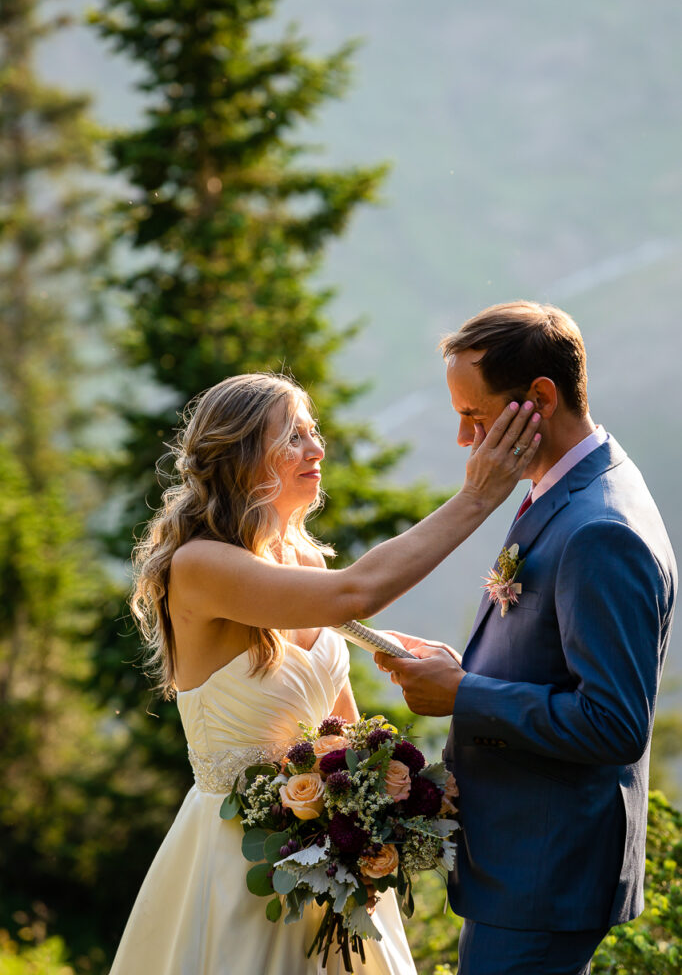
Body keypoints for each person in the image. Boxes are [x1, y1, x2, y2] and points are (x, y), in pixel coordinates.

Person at [108, 370, 541, 975]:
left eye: (313, 433)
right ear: (238, 456)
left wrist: (378, 807)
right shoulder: (199, 565)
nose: (316, 450)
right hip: (238, 866)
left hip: (332, 864)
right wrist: (477, 498)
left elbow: (340, 726)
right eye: (291, 438)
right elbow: (354, 595)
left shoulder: (305, 557)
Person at [376, 301, 677, 975]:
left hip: (548, 876)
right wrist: (465, 670)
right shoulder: (566, 492)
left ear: (539, 397)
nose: (464, 440)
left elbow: (613, 723)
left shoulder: (602, 529)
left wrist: (466, 695)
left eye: (473, 416)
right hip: (523, 868)